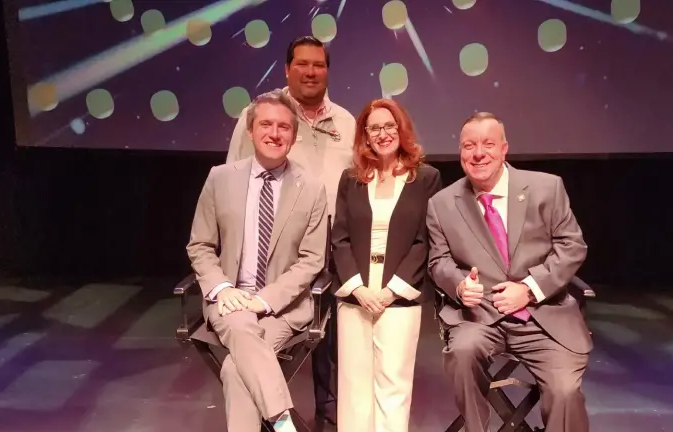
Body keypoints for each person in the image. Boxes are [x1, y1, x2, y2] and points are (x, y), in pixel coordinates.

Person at [426, 112, 591, 432]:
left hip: (543, 317)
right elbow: (438, 261)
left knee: (564, 391)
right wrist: (459, 285)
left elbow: (572, 247)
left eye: (488, 144)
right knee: (461, 354)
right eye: (469, 146)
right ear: (460, 152)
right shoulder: (441, 204)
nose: (478, 153)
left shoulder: (546, 188)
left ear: (504, 149)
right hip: (480, 318)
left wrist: (529, 289)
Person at [225, 35, 355, 421]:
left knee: (330, 337)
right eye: (302, 63)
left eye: (318, 64)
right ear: (286, 69)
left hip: (332, 245)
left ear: (328, 71)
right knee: (272, 330)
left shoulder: (346, 122)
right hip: (273, 249)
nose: (310, 72)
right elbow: (233, 184)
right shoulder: (261, 115)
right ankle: (274, 415)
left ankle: (330, 415)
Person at [187, 89, 328, 432]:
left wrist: (264, 300)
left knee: (237, 369)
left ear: (293, 136)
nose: (274, 133)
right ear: (250, 131)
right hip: (231, 300)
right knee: (240, 324)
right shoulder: (220, 178)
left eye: (283, 127)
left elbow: (311, 260)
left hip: (283, 307)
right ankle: (282, 420)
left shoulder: (311, 188)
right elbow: (200, 246)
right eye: (266, 124)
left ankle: (279, 422)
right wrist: (222, 289)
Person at [331, 99, 442, 432]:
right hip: (357, 296)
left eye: (389, 125)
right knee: (354, 388)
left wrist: (391, 291)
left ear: (401, 128)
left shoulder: (426, 178)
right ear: (365, 135)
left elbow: (425, 240)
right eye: (375, 128)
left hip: (399, 296)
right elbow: (340, 238)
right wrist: (359, 289)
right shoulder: (351, 179)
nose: (383, 134)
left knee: (393, 386)